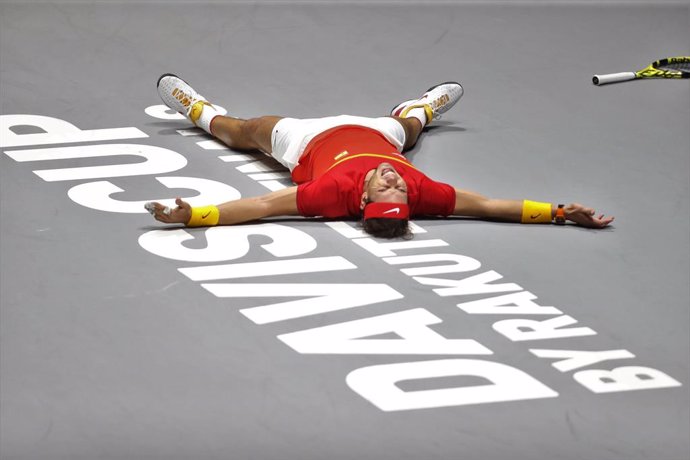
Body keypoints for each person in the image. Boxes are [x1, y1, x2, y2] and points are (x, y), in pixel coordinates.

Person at [145, 74, 614, 238]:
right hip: (378, 134)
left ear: (363, 199)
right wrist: (557, 213)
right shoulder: (420, 192)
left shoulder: (329, 193)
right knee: (408, 131)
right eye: (399, 190)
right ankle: (420, 108)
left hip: (307, 140)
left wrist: (195, 215)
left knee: (243, 131)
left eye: (386, 189)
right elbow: (491, 207)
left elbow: (261, 208)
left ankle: (199, 109)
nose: (394, 182)